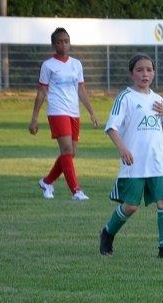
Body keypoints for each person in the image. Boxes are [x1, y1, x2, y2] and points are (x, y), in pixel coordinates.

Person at [99, 53, 163, 260]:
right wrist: (123, 149)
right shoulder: (125, 98)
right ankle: (107, 233)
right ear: (131, 73)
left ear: (154, 73)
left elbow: (158, 132)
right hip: (134, 162)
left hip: (158, 161)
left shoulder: (158, 99)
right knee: (131, 206)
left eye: (149, 70)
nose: (145, 74)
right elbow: (111, 128)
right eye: (140, 70)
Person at [29, 27, 98, 201]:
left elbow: (81, 89)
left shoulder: (76, 64)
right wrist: (34, 118)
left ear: (69, 43)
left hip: (74, 111)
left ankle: (47, 182)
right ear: (53, 45)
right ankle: (76, 191)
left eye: (66, 41)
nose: (63, 44)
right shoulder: (48, 65)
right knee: (66, 149)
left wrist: (91, 112)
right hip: (57, 111)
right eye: (59, 42)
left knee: (71, 152)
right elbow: (41, 92)